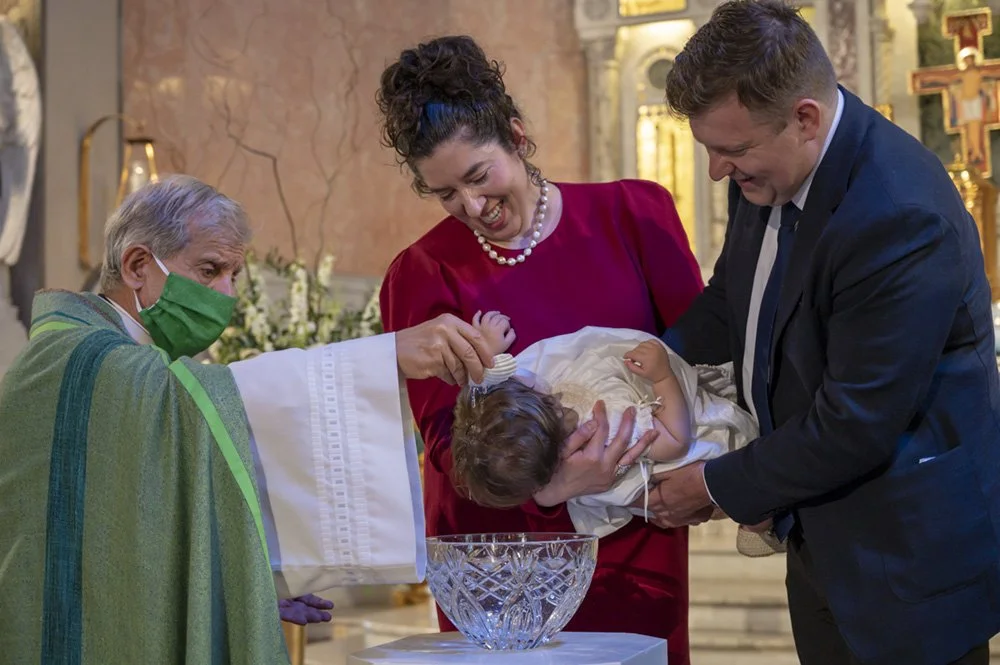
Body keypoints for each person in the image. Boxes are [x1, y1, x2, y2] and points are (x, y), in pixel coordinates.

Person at [0, 175, 498, 664]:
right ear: (136, 265)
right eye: (211, 269)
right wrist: (382, 358)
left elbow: (128, 527)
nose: (228, 295)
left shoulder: (110, 363)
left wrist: (228, 588)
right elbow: (201, 404)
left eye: (234, 276)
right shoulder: (89, 361)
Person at [646, 2, 1000, 665]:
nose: (718, 170)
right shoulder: (768, 171)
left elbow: (856, 421)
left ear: (805, 119)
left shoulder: (897, 214)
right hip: (823, 538)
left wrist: (716, 484)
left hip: (907, 556)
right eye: (711, 149)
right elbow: (734, 299)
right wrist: (647, 362)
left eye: (732, 149)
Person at [376, 35, 704, 663]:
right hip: (502, 551)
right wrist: (551, 488)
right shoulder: (418, 273)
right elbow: (446, 443)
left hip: (634, 524)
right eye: (445, 194)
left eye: (478, 176)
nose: (471, 207)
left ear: (518, 137)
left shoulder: (634, 214)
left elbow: (700, 365)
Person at [450, 313, 775, 555]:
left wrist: (487, 360)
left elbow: (509, 391)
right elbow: (675, 441)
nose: (527, 375)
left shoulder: (528, 438)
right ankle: (761, 521)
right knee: (743, 477)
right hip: (689, 451)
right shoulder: (605, 431)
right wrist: (662, 378)